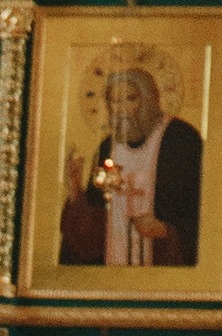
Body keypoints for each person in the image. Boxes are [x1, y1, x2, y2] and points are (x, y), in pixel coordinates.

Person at [59, 68, 202, 266]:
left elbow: (201, 212)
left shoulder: (181, 140)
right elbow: (90, 237)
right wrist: (74, 188)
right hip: (112, 268)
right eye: (115, 101)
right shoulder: (108, 147)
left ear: (149, 99)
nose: (123, 109)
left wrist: (164, 230)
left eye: (131, 99)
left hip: (163, 270)